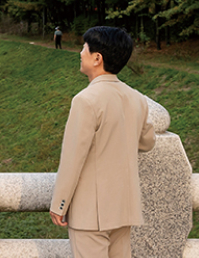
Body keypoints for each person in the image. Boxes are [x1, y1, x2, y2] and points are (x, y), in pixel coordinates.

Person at [50, 26, 155, 258]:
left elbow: (72, 159)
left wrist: (59, 204)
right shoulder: (137, 99)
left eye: (84, 48)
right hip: (124, 208)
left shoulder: (85, 100)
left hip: (91, 212)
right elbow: (147, 142)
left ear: (97, 58)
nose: (80, 52)